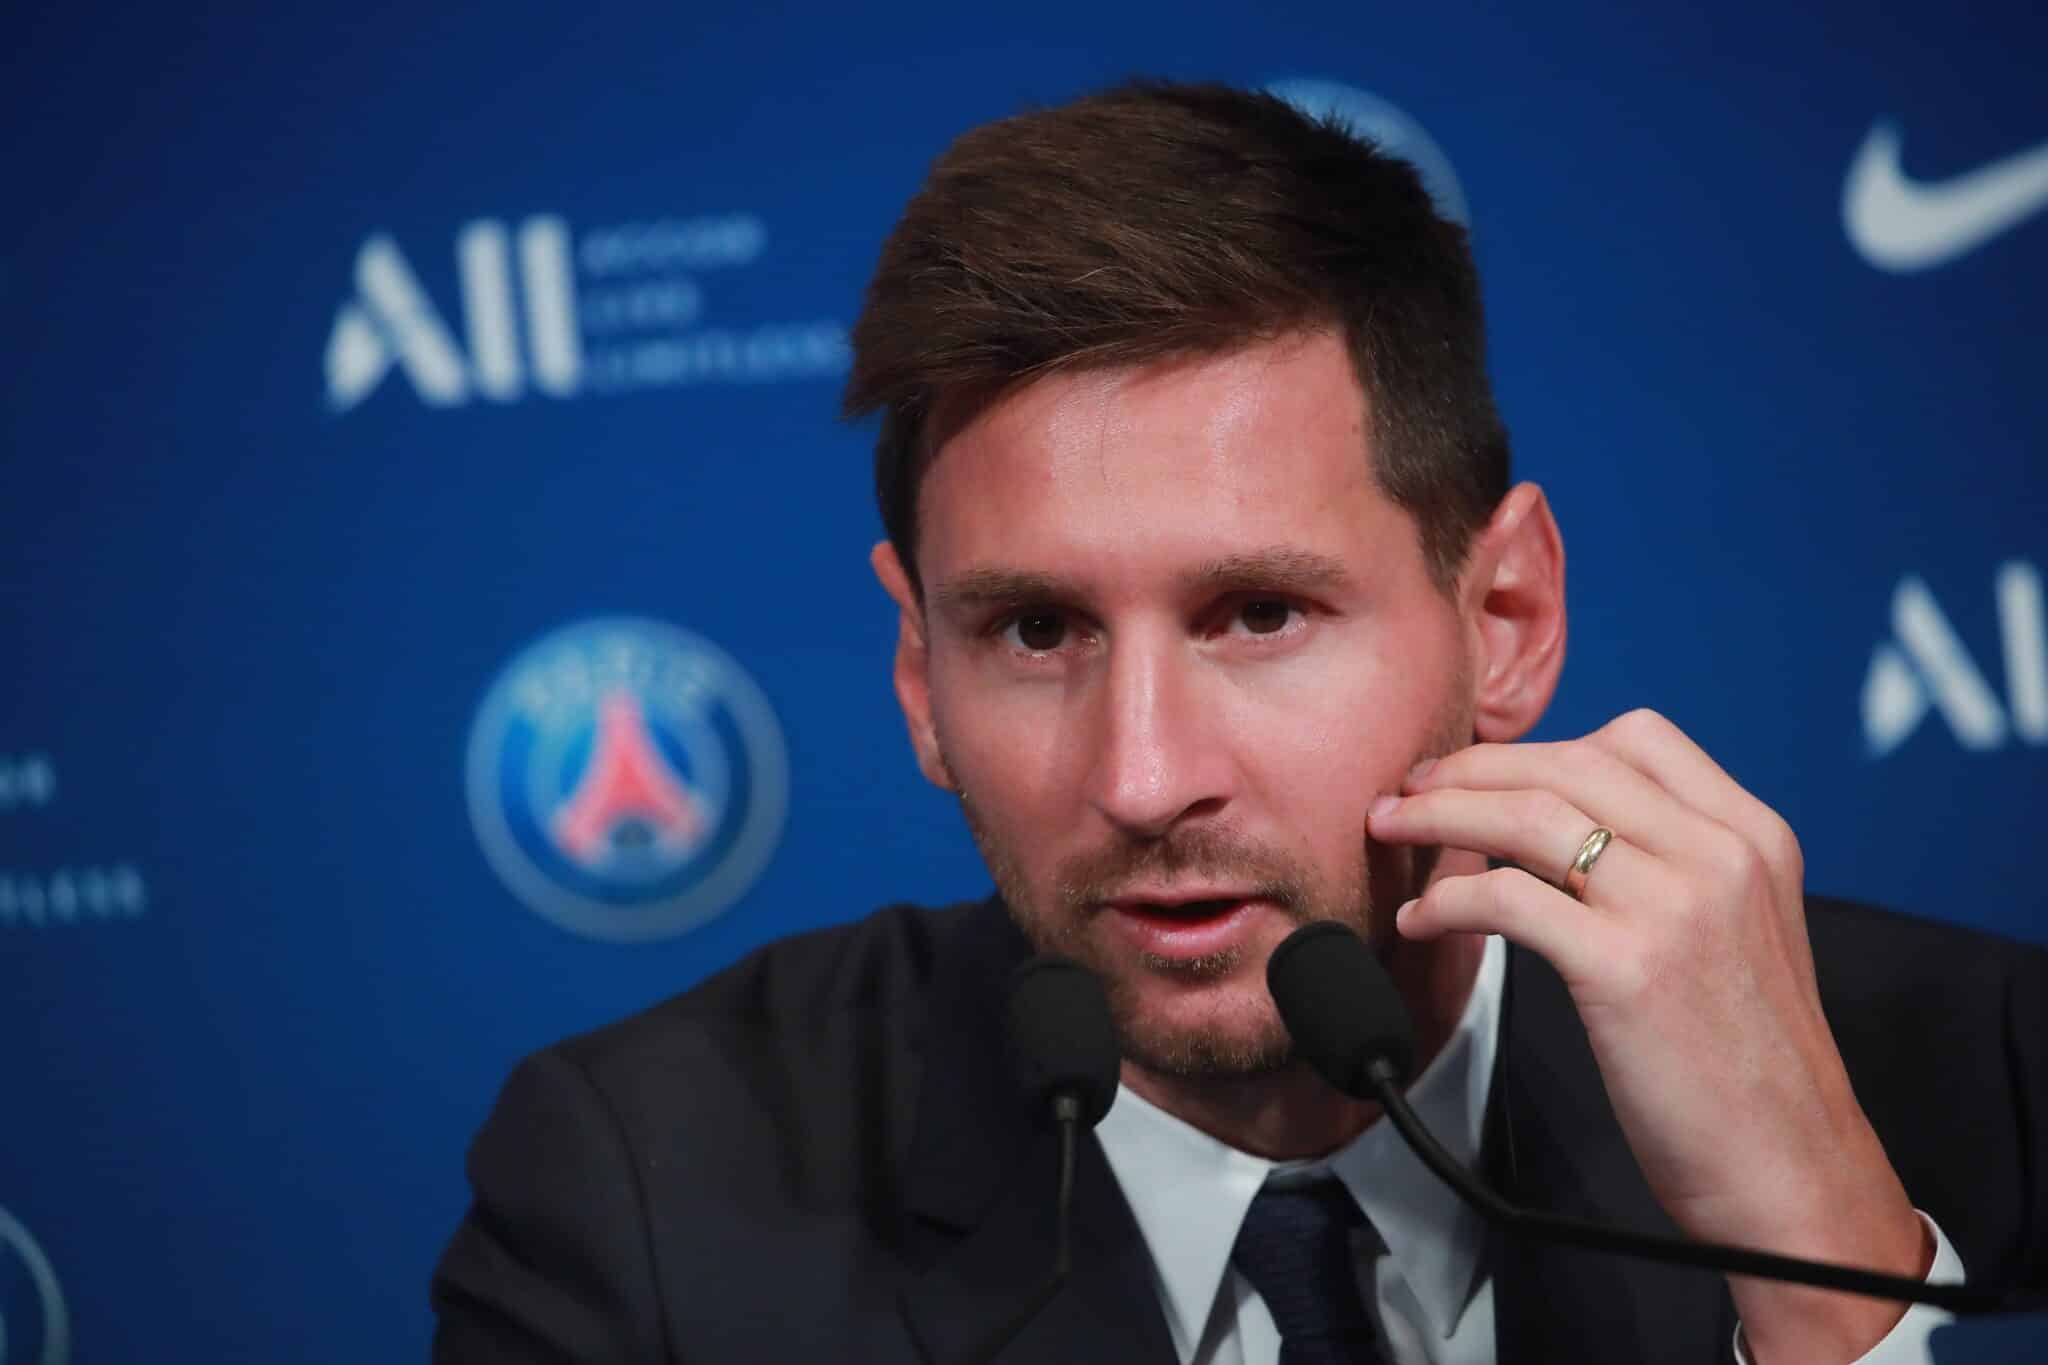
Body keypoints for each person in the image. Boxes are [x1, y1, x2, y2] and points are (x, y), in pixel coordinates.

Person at [430, 81, 2047, 1364]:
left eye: (1259, 615)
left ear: (1506, 624)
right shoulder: (643, 1198)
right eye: (1036, 630)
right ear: (922, 682)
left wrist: (1832, 1301)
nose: (1144, 777)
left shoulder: (1945, 1065)